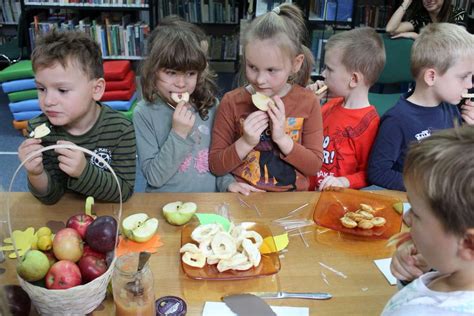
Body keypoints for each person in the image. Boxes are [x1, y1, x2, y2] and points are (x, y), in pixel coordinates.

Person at [209, 4, 323, 192]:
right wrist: (245, 142)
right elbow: (216, 165)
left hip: (292, 203)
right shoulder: (231, 102)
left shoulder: (308, 102)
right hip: (244, 199)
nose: (260, 80)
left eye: (272, 70)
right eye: (252, 67)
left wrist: (281, 138)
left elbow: (313, 166)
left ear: (296, 64)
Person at [17, 30, 136, 204]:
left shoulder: (120, 129)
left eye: (62, 90)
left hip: (108, 215)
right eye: (42, 89)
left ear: (96, 89)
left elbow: (123, 192)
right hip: (62, 218)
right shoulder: (40, 129)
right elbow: (50, 197)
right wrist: (36, 173)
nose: (48, 101)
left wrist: (83, 171)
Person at [134, 17, 240, 193]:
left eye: (190, 73)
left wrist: (228, 183)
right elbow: (154, 177)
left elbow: (217, 160)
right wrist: (178, 133)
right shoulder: (143, 113)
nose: (181, 83)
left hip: (207, 204)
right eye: (171, 73)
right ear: (153, 70)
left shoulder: (211, 106)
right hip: (164, 205)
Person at [368, 23, 474, 191]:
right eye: (463, 77)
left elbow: (459, 160)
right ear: (431, 76)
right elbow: (378, 172)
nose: (469, 84)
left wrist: (469, 131)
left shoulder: (451, 109)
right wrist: (429, 186)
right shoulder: (397, 120)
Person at [382, 125, 474, 315]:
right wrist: (421, 273)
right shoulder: (455, 271)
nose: (406, 216)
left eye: (415, 212)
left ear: (468, 243)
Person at [307, 27, 385, 191]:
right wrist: (309, 106)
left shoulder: (369, 124)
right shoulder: (329, 105)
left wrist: (344, 181)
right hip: (310, 195)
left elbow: (369, 173)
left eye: (329, 69)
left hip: (339, 203)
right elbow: (306, 137)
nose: (323, 73)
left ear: (354, 79)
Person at [385, 0, 467, 39]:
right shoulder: (421, 18)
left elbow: (454, 44)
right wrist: (407, 2)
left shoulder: (458, 14)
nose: (428, 0)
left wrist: (418, 37)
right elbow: (390, 29)